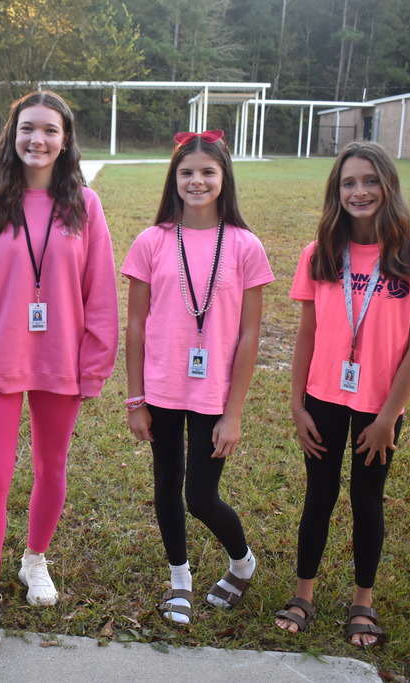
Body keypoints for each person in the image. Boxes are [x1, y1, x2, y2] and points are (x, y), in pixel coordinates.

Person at [0, 91, 118, 648]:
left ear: (65, 139)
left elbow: (101, 294)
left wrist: (94, 365)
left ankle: (34, 560)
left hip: (60, 361)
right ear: (11, 136)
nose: (37, 140)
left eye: (49, 130)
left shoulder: (85, 207)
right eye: (27, 129)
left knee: (52, 467)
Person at [274, 141, 410, 647]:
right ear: (336, 192)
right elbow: (305, 333)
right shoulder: (321, 253)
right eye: (348, 182)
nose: (360, 191)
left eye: (370, 180)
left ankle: (362, 603)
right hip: (323, 398)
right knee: (319, 496)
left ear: (388, 186)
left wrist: (389, 417)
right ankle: (303, 592)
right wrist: (297, 404)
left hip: (379, 407)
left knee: (367, 499)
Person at [121, 131, 274, 625]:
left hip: (214, 394)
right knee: (166, 484)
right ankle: (179, 579)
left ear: (224, 179)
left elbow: (250, 335)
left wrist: (234, 413)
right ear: (174, 179)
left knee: (201, 496)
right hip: (162, 387)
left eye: (208, 171)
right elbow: (137, 325)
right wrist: (135, 399)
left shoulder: (246, 246)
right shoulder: (152, 240)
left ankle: (242, 563)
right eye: (187, 172)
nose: (197, 180)